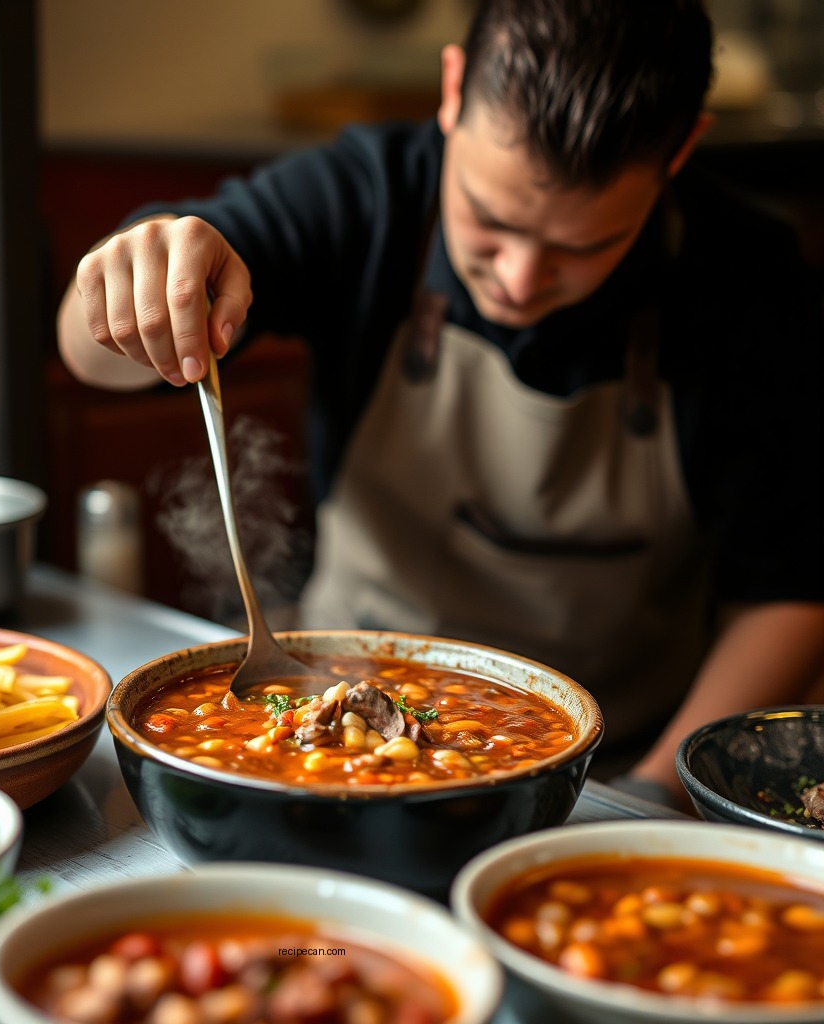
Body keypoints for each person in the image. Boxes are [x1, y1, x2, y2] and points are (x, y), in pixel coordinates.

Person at [57, 0, 824, 806]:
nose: (521, 280)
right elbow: (86, 352)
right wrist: (135, 278)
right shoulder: (368, 195)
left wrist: (651, 796)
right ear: (453, 90)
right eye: (488, 222)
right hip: (326, 721)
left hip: (615, 771)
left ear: (682, 151)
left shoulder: (753, 283)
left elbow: (790, 593)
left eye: (581, 246)